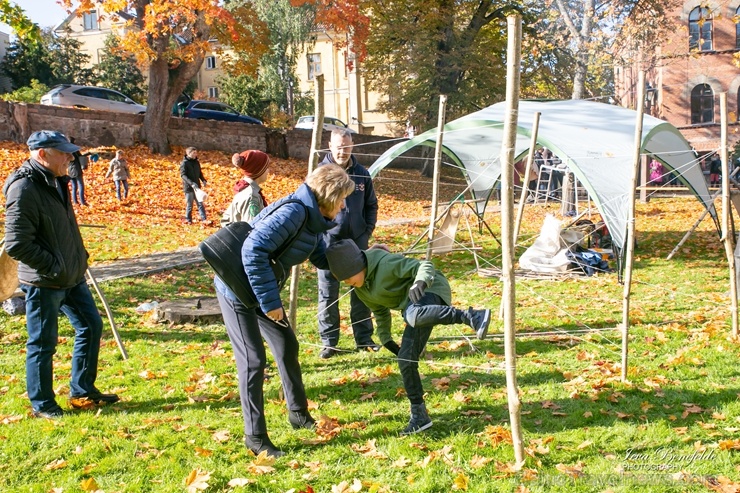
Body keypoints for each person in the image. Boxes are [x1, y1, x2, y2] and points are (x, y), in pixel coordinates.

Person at [213, 164, 355, 458]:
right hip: (236, 288)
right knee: (253, 361)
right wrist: (271, 304)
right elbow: (252, 252)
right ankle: (255, 438)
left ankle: (298, 415)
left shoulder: (313, 219)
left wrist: (360, 261)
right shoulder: (294, 213)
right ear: (328, 196)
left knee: (287, 345)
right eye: (341, 199)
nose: (343, 205)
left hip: (260, 288)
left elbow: (320, 255)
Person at [2, 130, 119, 419]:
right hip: (45, 280)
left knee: (90, 326)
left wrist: (79, 257)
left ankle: (82, 390)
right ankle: (42, 404)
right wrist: (53, 266)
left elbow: (65, 226)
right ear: (42, 154)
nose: (70, 157)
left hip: (72, 275)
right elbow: (17, 243)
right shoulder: (24, 188)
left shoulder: (56, 180)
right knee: (43, 343)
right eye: (63, 152)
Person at [324, 240, 492, 435]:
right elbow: (380, 312)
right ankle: (420, 416)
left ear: (357, 265)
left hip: (431, 287)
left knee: (412, 315)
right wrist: (386, 339)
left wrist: (420, 281)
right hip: (415, 309)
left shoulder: (385, 264)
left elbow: (424, 265)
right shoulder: (361, 290)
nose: (347, 283)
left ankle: (471, 316)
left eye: (347, 277)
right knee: (405, 359)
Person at [316, 129, 379, 358]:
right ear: (330, 146)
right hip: (328, 243)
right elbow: (312, 209)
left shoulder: (362, 173)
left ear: (353, 146)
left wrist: (366, 231)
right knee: (328, 294)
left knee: (361, 291)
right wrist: (321, 235)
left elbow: (371, 205)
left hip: (357, 243)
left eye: (347, 146)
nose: (343, 151)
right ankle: (329, 342)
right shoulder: (321, 173)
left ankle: (364, 339)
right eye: (338, 146)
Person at [221, 150, 270, 226]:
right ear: (258, 170)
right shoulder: (251, 196)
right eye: (266, 167)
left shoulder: (246, 188)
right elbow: (252, 229)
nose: (268, 171)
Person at [180, 147, 208, 224]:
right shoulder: (184, 163)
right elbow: (183, 175)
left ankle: (204, 219)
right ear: (189, 153)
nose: (196, 154)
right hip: (189, 187)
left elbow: (199, 173)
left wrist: (203, 180)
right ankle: (188, 219)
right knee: (190, 205)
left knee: (200, 203)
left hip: (197, 187)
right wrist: (191, 183)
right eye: (194, 153)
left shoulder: (196, 162)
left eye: (196, 152)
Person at [67, 137, 89, 206]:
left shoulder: (66, 151)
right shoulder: (74, 150)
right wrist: (88, 153)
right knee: (81, 186)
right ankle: (82, 202)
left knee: (74, 187)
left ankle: (75, 201)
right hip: (76, 169)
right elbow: (80, 157)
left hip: (70, 170)